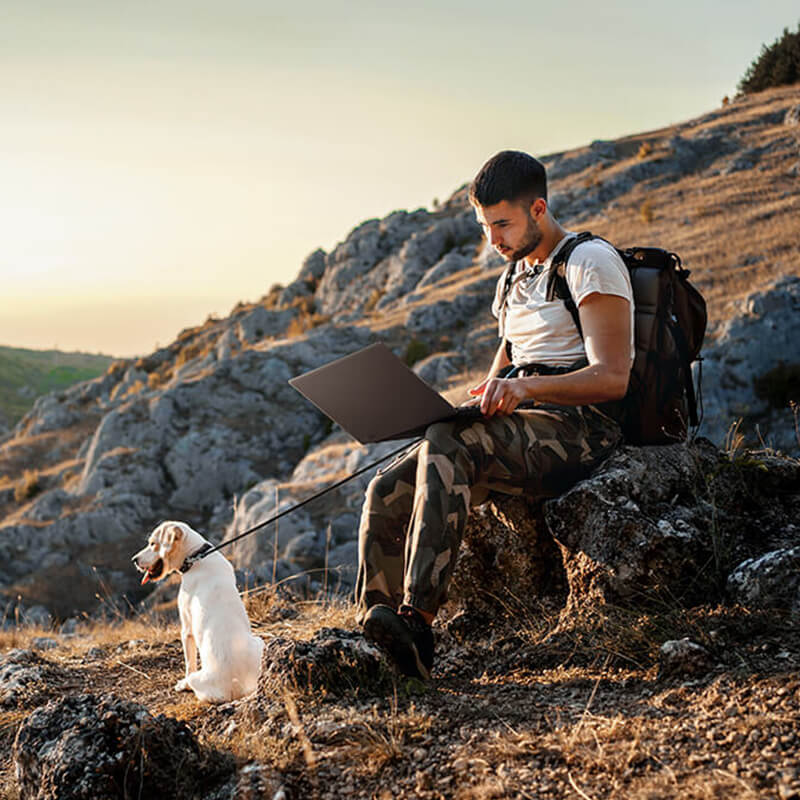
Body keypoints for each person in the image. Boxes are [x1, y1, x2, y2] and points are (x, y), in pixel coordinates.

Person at [354, 150, 634, 679]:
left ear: (539, 209)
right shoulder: (512, 280)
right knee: (387, 487)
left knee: (449, 445)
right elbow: (500, 371)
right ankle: (374, 628)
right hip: (526, 426)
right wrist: (469, 402)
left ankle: (416, 625)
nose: (493, 240)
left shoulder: (588, 262)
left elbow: (612, 376)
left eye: (502, 224)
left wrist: (525, 389)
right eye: (485, 227)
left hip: (584, 428)